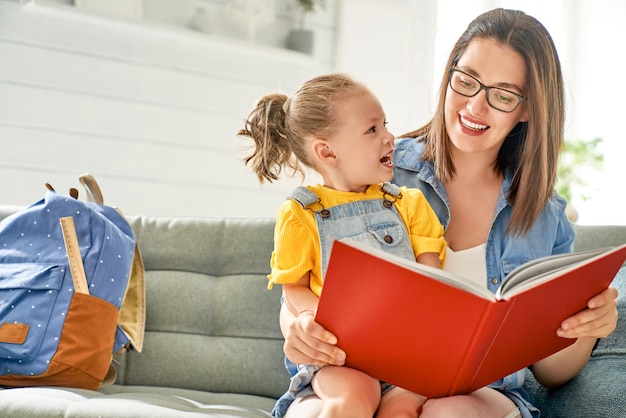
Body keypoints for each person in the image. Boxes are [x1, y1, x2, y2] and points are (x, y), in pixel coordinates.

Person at [278, 8, 619, 418]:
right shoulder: (377, 169)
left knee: (449, 413)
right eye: (466, 80)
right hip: (359, 377)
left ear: (527, 109)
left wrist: (588, 327)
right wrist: (298, 329)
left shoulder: (544, 217)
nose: (476, 106)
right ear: (450, 72)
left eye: (504, 95)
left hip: (478, 395)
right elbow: (302, 279)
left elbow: (551, 371)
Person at [238, 73, 446, 417]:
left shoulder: (408, 204)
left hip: (406, 356)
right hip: (340, 356)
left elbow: (432, 280)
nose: (390, 137)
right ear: (327, 151)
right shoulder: (301, 213)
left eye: (385, 125)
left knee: (403, 408)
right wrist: (315, 321)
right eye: (372, 130)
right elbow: (295, 290)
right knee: (352, 399)